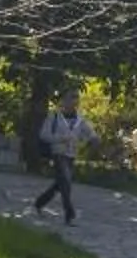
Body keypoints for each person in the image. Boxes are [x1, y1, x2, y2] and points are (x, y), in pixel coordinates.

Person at [33, 95, 93, 223]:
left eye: (74, 101)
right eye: (69, 100)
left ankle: (39, 203)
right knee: (66, 180)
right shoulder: (54, 117)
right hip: (58, 153)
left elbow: (89, 133)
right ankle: (69, 213)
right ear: (63, 102)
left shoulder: (80, 120)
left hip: (71, 155)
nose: (71, 103)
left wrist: (90, 138)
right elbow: (44, 135)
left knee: (60, 184)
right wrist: (60, 138)